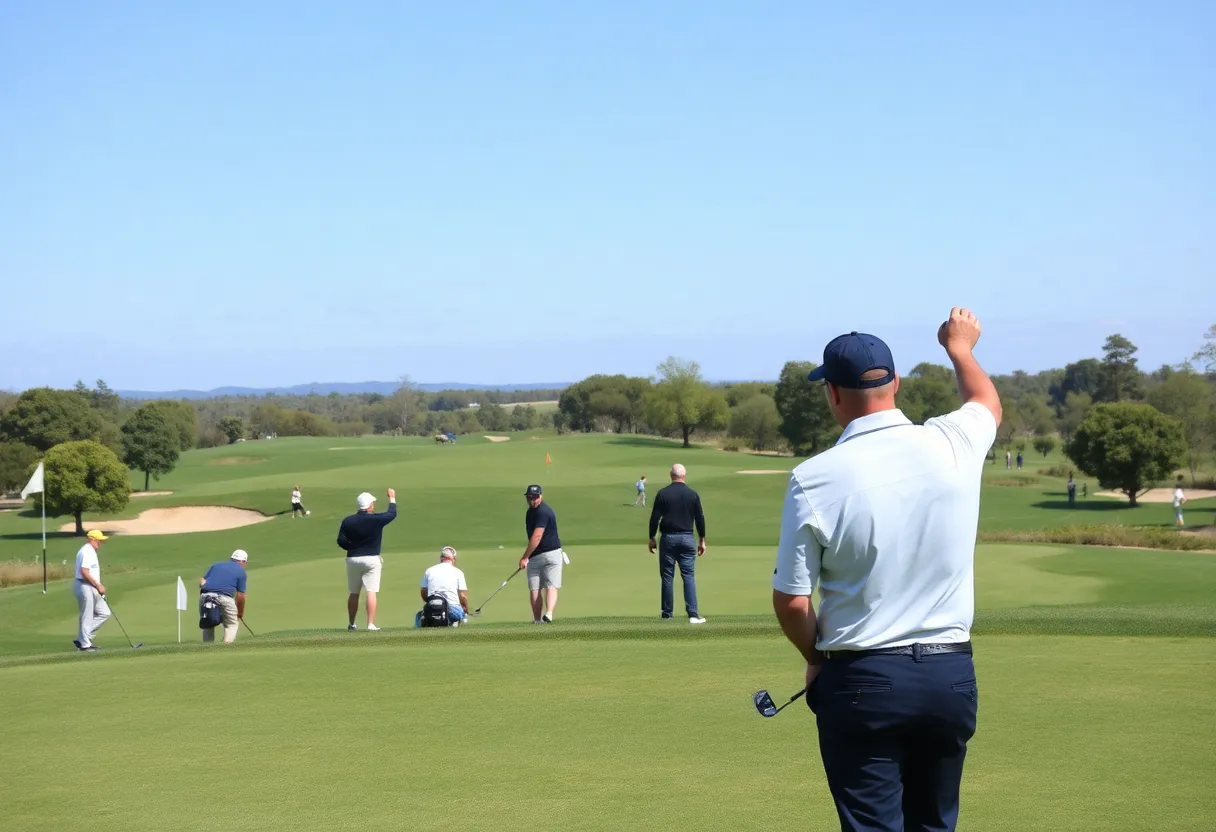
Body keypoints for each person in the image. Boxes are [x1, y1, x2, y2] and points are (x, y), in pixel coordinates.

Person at [771, 309, 1002, 832]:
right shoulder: (954, 441)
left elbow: (792, 601)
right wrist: (960, 349)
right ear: (894, 382)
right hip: (950, 678)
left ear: (831, 392)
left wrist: (816, 657)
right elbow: (985, 402)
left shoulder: (813, 478)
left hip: (863, 681)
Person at [648, 464, 707, 624]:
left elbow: (654, 518)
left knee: (667, 577)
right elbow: (700, 518)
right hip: (687, 538)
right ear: (684, 475)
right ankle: (693, 614)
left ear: (670, 475)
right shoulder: (692, 494)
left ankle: (667, 614)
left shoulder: (663, 494)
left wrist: (651, 537)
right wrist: (702, 539)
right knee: (688, 576)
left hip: (668, 538)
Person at [337, 488, 397, 630]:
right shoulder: (376, 519)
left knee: (353, 592)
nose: (374, 506)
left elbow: (341, 540)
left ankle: (352, 624)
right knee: (371, 591)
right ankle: (370, 624)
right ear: (369, 505)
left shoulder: (348, 521)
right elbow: (392, 514)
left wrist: (352, 548)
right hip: (372, 559)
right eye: (373, 503)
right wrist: (392, 498)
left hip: (353, 559)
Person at [520, 484, 563, 623]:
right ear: (527, 497)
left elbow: (537, 536)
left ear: (541, 496)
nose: (533, 500)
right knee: (535, 588)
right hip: (540, 555)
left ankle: (547, 614)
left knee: (549, 585)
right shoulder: (530, 512)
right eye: (530, 497)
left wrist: (525, 557)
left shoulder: (543, 512)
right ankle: (539, 619)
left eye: (536, 497)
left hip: (549, 553)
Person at [72, 529, 111, 651]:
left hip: (91, 586)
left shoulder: (90, 551)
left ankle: (83, 638)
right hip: (85, 585)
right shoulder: (87, 551)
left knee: (104, 613)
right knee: (87, 615)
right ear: (93, 539)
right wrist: (98, 585)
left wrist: (97, 585)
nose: (101, 543)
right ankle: (85, 645)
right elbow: (84, 571)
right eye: (99, 540)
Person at [198, 549, 249, 643]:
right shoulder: (241, 572)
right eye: (245, 562)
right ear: (242, 561)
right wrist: (240, 612)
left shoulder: (216, 565)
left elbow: (202, 581)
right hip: (225, 597)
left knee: (208, 623)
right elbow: (241, 595)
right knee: (232, 623)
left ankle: (207, 647)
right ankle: (226, 646)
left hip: (206, 595)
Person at [415, 546, 470, 627]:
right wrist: (465, 610)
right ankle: (452, 624)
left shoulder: (429, 571)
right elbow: (463, 597)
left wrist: (431, 603)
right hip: (453, 609)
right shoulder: (458, 572)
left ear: (441, 558)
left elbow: (423, 592)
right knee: (460, 615)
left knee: (419, 616)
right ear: (453, 559)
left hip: (432, 607)